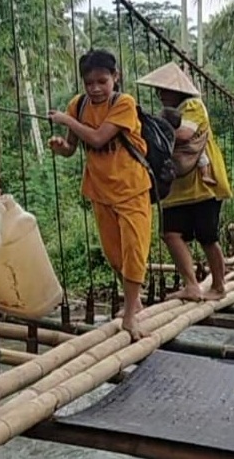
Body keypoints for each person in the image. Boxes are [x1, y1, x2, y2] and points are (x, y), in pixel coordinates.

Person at [46, 49, 153, 341]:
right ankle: (135, 301)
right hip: (100, 190)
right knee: (114, 254)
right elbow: (73, 147)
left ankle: (130, 315)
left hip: (132, 189)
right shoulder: (78, 106)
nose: (95, 88)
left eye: (102, 81)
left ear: (115, 78)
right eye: (89, 82)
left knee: (134, 251)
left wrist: (67, 122)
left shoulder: (125, 104)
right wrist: (61, 146)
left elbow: (96, 137)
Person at [137, 62, 232, 302]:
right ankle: (192, 285)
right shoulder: (166, 115)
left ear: (177, 90)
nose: (159, 94)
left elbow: (184, 134)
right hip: (176, 187)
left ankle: (219, 286)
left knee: (207, 236)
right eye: (158, 90)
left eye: (164, 89)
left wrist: (149, 127)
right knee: (170, 233)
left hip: (203, 185)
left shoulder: (193, 106)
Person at [161, 106, 216, 185]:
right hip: (189, 152)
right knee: (201, 154)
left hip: (177, 155)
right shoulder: (181, 129)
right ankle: (205, 174)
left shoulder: (169, 133)